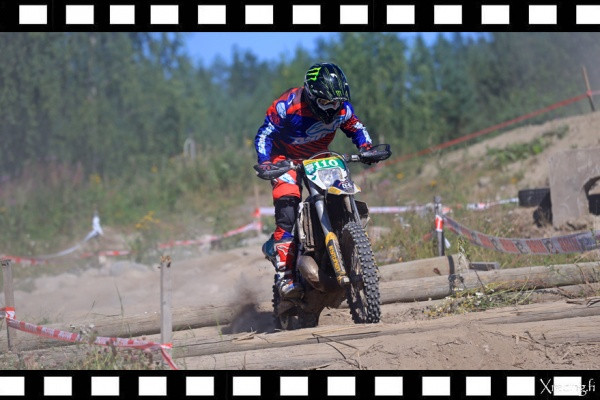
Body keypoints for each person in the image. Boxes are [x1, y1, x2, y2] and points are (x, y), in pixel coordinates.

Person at [254, 62, 375, 299]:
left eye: (336, 102)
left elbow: (356, 127)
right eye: (325, 102)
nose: (332, 108)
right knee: (288, 204)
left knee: (338, 191)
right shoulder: (286, 106)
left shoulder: (342, 109)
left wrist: (366, 147)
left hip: (319, 156)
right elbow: (265, 134)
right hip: (284, 159)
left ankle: (345, 243)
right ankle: (285, 276)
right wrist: (265, 161)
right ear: (310, 95)